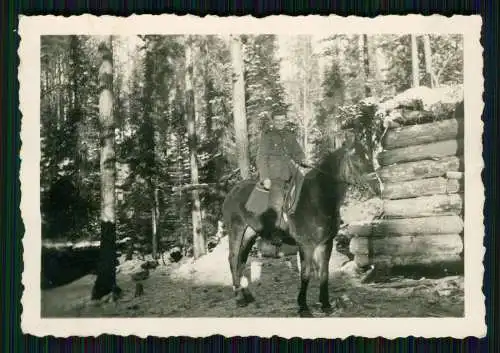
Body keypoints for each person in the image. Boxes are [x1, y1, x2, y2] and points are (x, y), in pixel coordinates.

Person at [246, 112, 308, 226]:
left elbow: (297, 152)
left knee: (304, 181)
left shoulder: (290, 134)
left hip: (289, 169)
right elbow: (261, 157)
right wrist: (265, 177)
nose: (280, 123)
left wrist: (302, 159)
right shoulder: (268, 135)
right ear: (273, 122)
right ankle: (275, 229)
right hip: (274, 172)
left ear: (286, 120)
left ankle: (294, 210)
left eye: (282, 120)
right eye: (277, 120)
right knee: (277, 201)